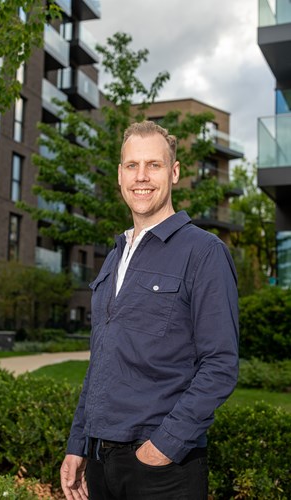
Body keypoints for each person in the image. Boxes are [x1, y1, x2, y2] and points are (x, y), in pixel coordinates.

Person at [60, 120, 239, 500]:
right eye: (131, 165)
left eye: (153, 165)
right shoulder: (114, 255)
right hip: (99, 460)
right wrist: (78, 443)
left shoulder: (204, 252)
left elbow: (221, 364)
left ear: (174, 173)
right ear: (120, 176)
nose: (141, 176)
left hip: (162, 468)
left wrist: (162, 448)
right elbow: (101, 362)